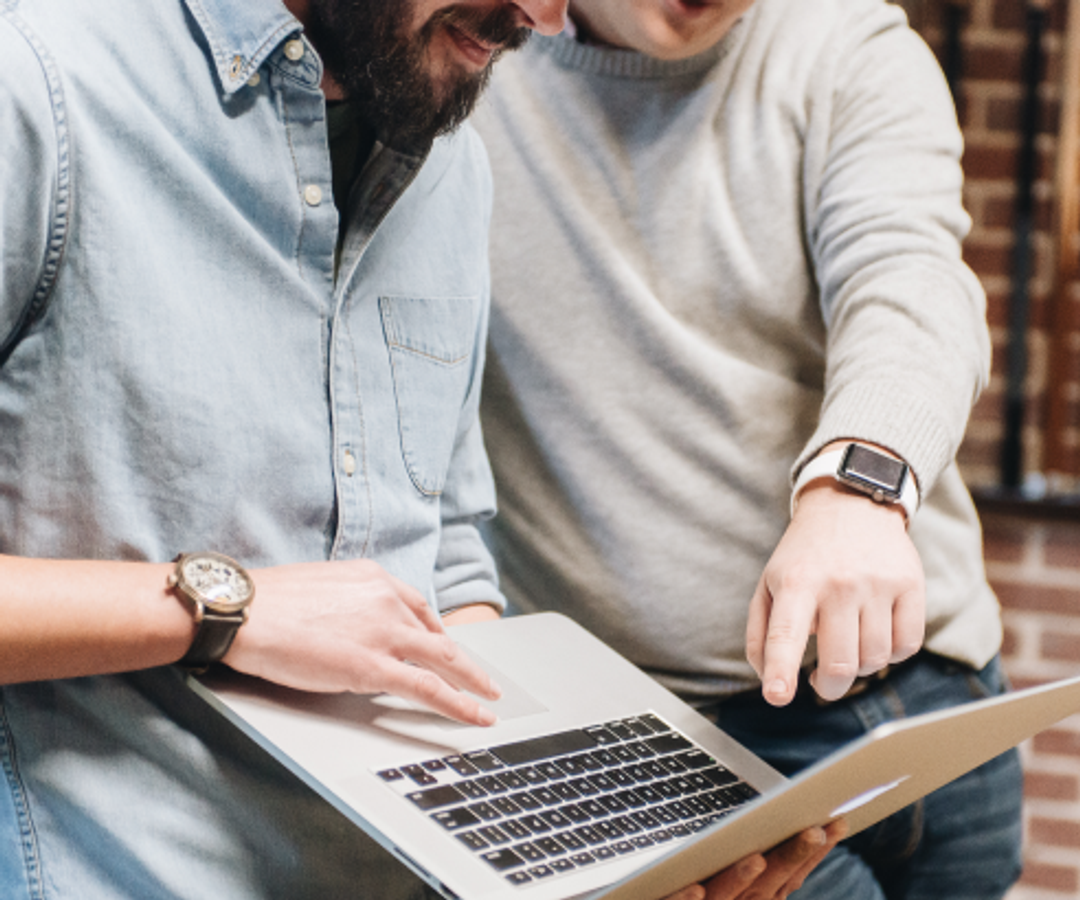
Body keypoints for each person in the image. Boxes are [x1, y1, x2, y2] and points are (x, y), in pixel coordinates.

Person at [0, 0, 839, 897]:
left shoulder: (451, 162)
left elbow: (441, 543)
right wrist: (225, 611)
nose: (546, 19)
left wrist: (555, 846)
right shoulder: (37, 83)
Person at [473, 0, 1025, 897]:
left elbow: (909, 277)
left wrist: (859, 486)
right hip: (674, 739)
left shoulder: (850, 42)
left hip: (931, 697)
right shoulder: (462, 62)